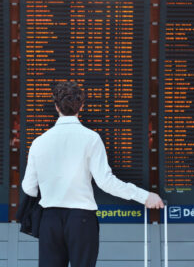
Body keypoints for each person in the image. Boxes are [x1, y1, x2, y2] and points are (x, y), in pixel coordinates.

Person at [22, 81, 164, 267]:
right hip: (81, 220)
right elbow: (105, 182)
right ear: (81, 106)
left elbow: (29, 188)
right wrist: (144, 196)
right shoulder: (91, 138)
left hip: (50, 220)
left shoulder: (39, 142)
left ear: (56, 106)